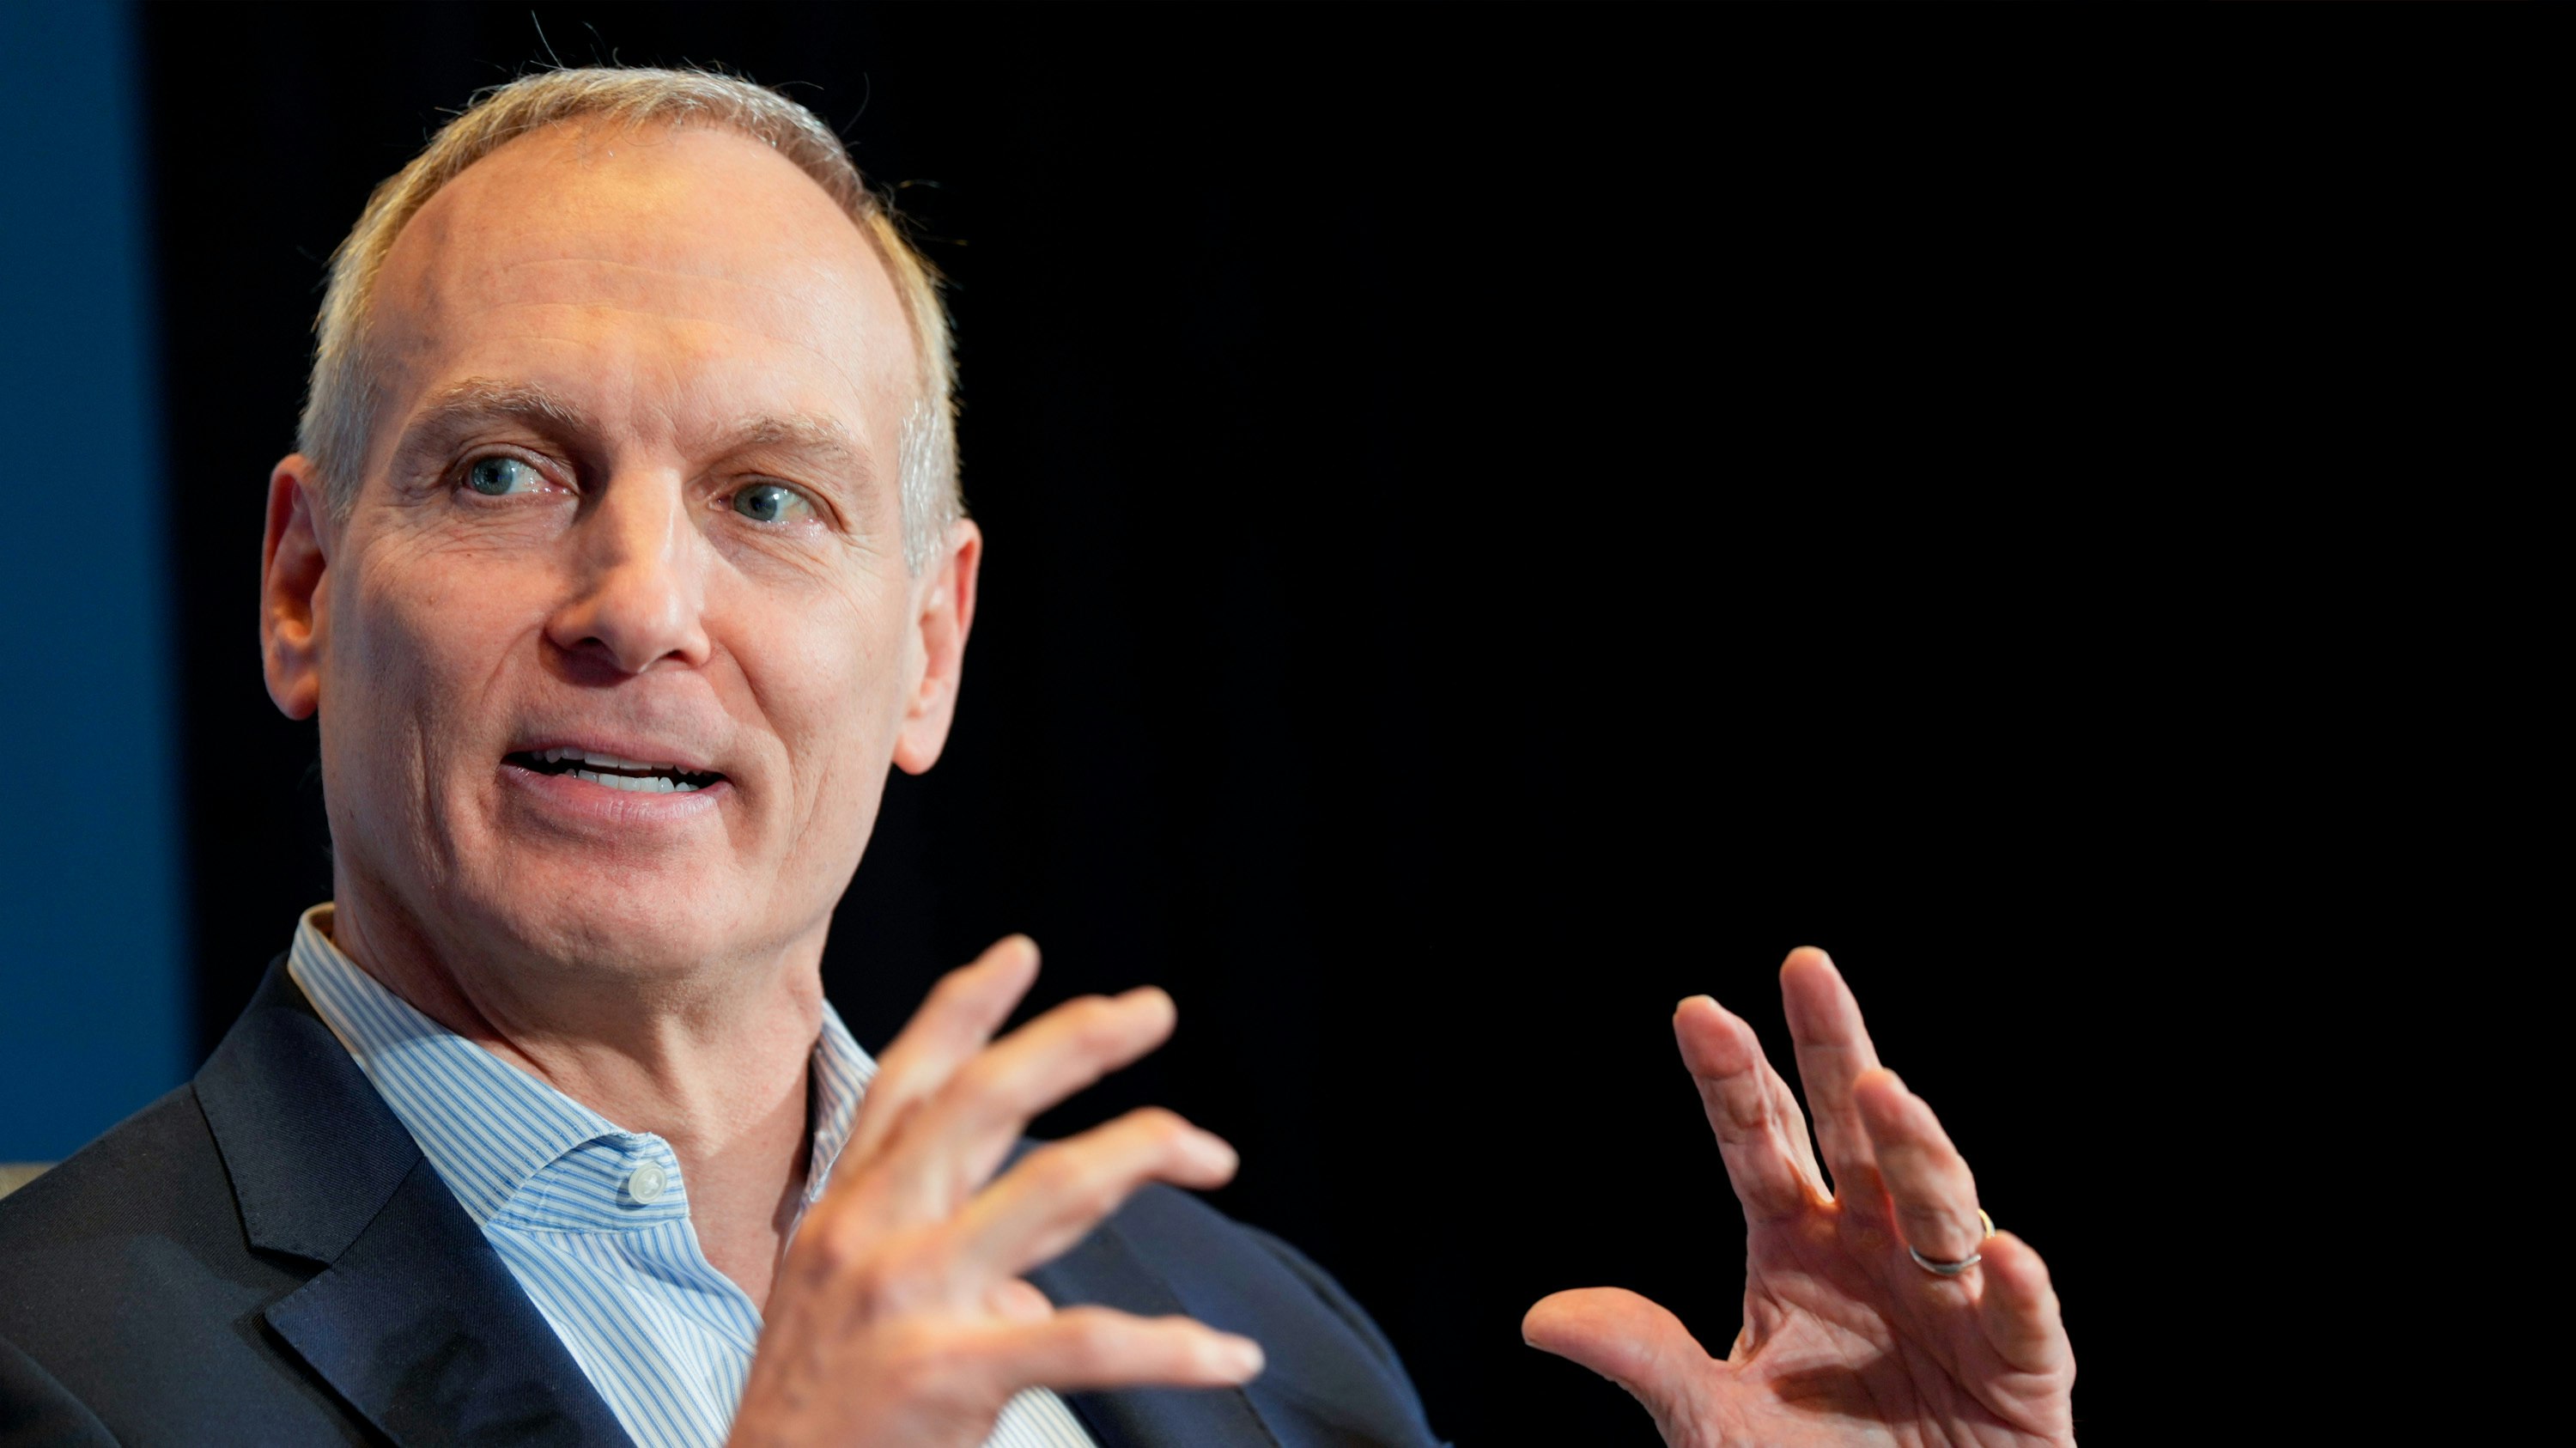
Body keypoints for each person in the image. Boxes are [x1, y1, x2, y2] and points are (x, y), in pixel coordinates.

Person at [0, 69, 2074, 1448]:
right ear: (300, 583)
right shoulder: (51, 1361)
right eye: (506, 468)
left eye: (770, 500)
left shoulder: (1238, 1340)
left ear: (928, 651)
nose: (636, 604)